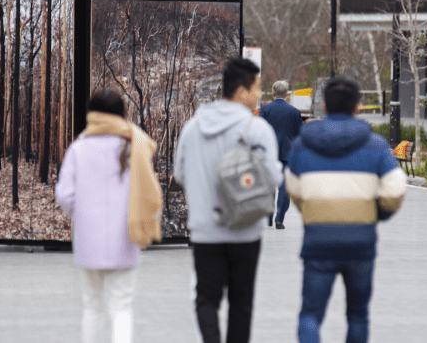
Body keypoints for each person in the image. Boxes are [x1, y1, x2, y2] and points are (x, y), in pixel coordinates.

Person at [285, 76, 406, 343]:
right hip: (361, 242)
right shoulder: (376, 146)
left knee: (310, 314)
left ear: (325, 106)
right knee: (358, 315)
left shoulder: (301, 145)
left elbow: (293, 189)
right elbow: (396, 189)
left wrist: (312, 209)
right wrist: (378, 214)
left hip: (318, 241)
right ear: (358, 107)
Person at [174, 57, 283, 343]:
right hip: (246, 230)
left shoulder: (193, 127)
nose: (259, 95)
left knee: (206, 299)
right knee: (241, 301)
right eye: (257, 88)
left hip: (205, 229)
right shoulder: (257, 130)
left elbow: (180, 174)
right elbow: (274, 178)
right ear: (242, 90)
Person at [55, 89, 163, 343]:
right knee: (121, 307)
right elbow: (151, 193)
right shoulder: (134, 146)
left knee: (92, 307)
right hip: (126, 238)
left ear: (91, 115)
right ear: (122, 114)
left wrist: (80, 215)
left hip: (87, 242)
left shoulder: (78, 148)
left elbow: (65, 195)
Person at [259, 80, 303, 229]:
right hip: (288, 154)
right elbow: (299, 136)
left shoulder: (265, 109)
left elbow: (259, 132)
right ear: (287, 95)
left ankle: (268, 218)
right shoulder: (295, 112)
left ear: (272, 93)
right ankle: (279, 219)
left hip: (269, 154)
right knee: (285, 188)